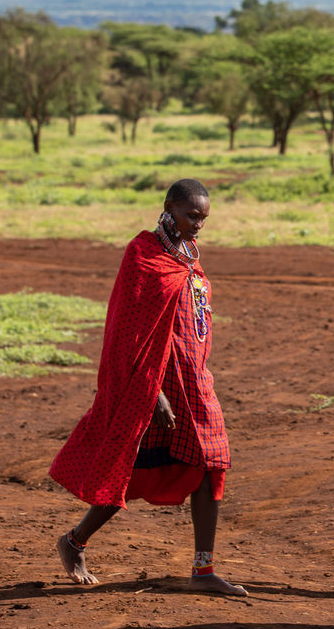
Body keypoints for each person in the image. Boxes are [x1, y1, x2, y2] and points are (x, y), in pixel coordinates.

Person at [49, 179, 245, 596]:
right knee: (130, 465)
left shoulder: (188, 255)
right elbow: (127, 331)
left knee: (213, 462)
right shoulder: (142, 254)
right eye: (191, 215)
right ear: (168, 207)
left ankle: (203, 570)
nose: (198, 225)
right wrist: (152, 391)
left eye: (204, 218)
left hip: (194, 378)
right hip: (154, 380)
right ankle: (75, 540)